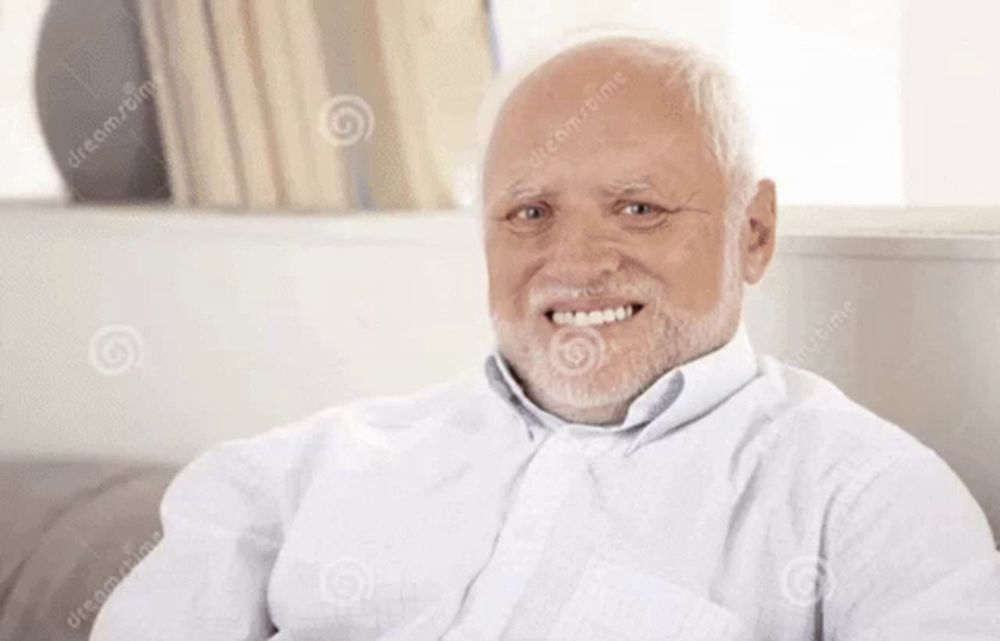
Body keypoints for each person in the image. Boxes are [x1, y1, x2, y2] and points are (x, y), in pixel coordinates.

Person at [91, 32, 1000, 641]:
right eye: (529, 212)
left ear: (753, 231)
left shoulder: (869, 502)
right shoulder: (283, 481)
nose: (575, 262)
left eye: (638, 209)